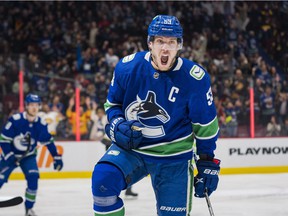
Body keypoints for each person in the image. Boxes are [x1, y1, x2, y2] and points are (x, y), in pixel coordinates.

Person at [91, 15, 220, 216]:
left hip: (174, 156)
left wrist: (207, 161)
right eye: (160, 41)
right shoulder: (128, 67)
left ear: (180, 45)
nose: (165, 48)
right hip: (133, 148)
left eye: (171, 42)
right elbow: (113, 104)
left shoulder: (195, 79)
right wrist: (117, 124)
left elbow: (206, 126)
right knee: (103, 181)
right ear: (150, 43)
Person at [0, 93, 63, 216]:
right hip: (10, 155)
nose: (34, 108)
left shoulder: (41, 123)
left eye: (36, 105)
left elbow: (48, 142)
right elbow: (3, 139)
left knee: (33, 178)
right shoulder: (16, 120)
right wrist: (9, 155)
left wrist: (56, 157)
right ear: (26, 106)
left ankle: (29, 209)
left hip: (28, 156)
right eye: (31, 105)